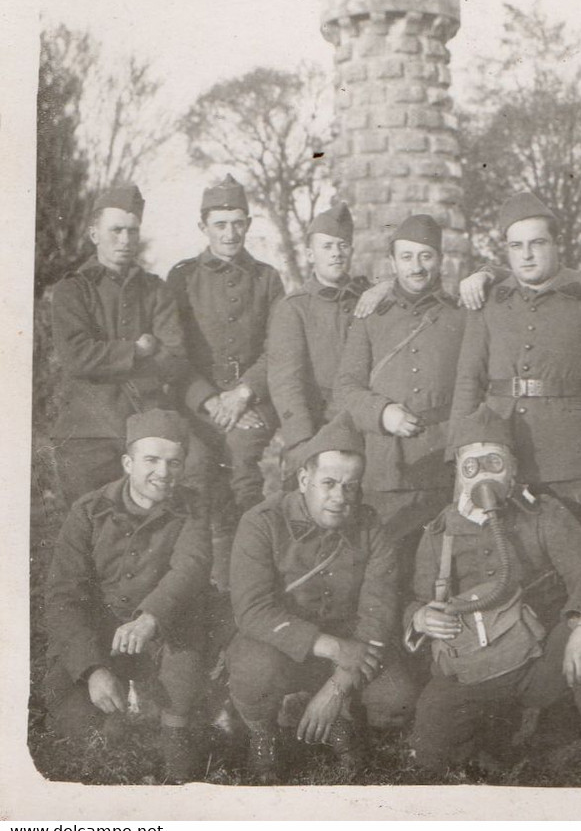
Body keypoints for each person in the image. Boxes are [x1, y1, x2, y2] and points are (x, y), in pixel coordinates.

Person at [405, 404, 581, 781]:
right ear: (457, 474)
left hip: (539, 661)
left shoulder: (544, 515)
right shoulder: (440, 532)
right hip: (472, 669)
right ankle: (499, 739)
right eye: (471, 467)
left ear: (515, 468)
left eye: (494, 463)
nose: (483, 476)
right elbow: (417, 599)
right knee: (430, 752)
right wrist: (420, 617)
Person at [449, 192, 581, 550]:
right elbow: (469, 380)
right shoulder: (490, 300)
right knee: (509, 560)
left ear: (557, 244)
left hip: (576, 461)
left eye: (537, 243)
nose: (526, 255)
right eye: (516, 246)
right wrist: (460, 449)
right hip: (501, 456)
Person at [227, 413, 415, 782]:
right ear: (303, 479)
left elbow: (379, 610)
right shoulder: (262, 522)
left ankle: (339, 720)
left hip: (352, 646)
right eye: (328, 483)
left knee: (397, 698)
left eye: (350, 486)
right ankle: (263, 734)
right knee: (254, 671)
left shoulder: (371, 526)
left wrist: (337, 686)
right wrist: (331, 648)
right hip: (279, 643)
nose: (339, 497)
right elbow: (252, 610)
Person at [43, 409, 211, 783]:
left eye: (174, 462)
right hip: (100, 638)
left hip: (163, 633)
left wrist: (150, 617)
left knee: (185, 675)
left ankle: (173, 727)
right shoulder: (88, 511)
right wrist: (92, 669)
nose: (163, 473)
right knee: (78, 726)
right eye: (151, 460)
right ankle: (123, 704)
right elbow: (63, 595)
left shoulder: (194, 508)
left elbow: (191, 568)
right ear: (127, 463)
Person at [166, 175, 285, 584]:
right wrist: (211, 400)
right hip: (197, 400)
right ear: (204, 228)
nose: (230, 233)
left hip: (254, 401)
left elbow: (278, 348)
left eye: (238, 222)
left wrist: (244, 393)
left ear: (249, 224)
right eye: (220, 224)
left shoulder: (268, 279)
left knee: (241, 466)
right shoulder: (182, 278)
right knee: (197, 471)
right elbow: (174, 351)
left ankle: (252, 579)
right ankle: (202, 582)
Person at [334, 214, 466, 570]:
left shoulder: (462, 314)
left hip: (445, 466)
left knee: (445, 566)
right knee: (387, 566)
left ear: (440, 259)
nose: (417, 266)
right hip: (386, 468)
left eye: (426, 256)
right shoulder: (371, 315)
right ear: (391, 263)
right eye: (406, 257)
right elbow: (346, 388)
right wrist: (382, 413)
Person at [51, 185, 190, 506]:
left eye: (132, 231)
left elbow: (176, 357)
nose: (125, 240)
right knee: (88, 526)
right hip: (87, 432)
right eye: (116, 230)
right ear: (94, 234)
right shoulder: (73, 290)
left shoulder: (155, 289)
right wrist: (138, 351)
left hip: (146, 432)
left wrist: (110, 358)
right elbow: (77, 357)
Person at [267, 202, 390, 476]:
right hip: (318, 424)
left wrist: (386, 286)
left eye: (343, 245)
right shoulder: (294, 307)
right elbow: (286, 384)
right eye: (327, 246)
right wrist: (302, 442)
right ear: (310, 254)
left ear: (351, 250)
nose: (336, 253)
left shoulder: (369, 296)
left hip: (367, 422)